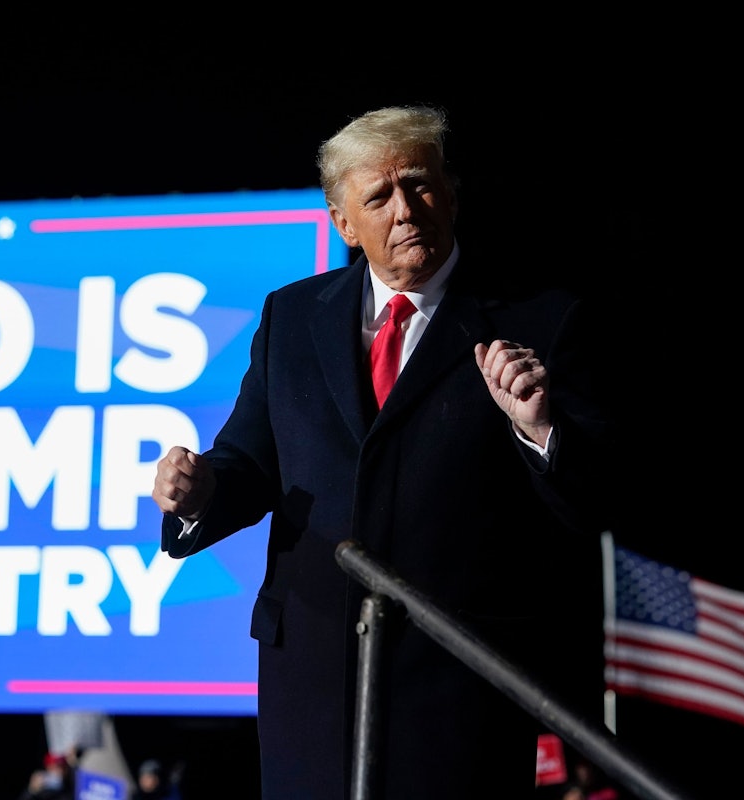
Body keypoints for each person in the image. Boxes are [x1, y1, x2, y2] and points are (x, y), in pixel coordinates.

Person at [151, 105, 616, 799]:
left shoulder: (538, 320)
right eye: (379, 196)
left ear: (450, 194)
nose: (405, 210)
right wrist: (200, 493)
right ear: (344, 224)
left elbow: (593, 496)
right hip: (310, 676)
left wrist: (537, 428)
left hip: (456, 681)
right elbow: (249, 464)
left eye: (420, 185)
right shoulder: (291, 316)